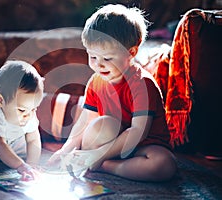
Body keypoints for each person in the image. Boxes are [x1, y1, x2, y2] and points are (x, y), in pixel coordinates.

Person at [49, 4, 177, 182]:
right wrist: (66, 148)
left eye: (107, 58)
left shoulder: (142, 85)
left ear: (131, 52)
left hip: (142, 147)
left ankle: (105, 166)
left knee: (164, 165)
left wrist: (100, 156)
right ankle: (91, 160)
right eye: (92, 57)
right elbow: (86, 120)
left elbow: (137, 131)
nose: (98, 65)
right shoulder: (96, 81)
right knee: (101, 124)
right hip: (109, 140)